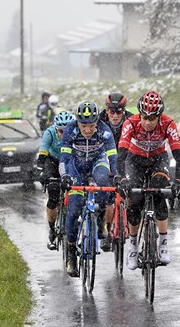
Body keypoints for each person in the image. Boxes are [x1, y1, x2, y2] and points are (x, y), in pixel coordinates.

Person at [115, 90, 180, 270]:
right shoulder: (131, 123)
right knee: (135, 199)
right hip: (134, 160)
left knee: (159, 192)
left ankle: (163, 243)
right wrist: (122, 179)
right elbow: (121, 156)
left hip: (157, 160)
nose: (147, 122)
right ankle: (132, 246)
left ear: (159, 116)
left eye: (152, 119)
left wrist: (178, 181)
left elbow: (178, 157)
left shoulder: (168, 124)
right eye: (144, 117)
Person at [59, 101, 118, 277]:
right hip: (76, 166)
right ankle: (71, 253)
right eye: (84, 126)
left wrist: (116, 175)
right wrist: (65, 177)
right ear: (77, 122)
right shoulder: (70, 129)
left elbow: (112, 156)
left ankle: (100, 221)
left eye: (91, 126)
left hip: (96, 162)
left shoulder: (104, 129)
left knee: (103, 182)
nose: (87, 130)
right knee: (74, 209)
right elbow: (64, 157)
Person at [97, 92, 133, 251]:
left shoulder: (132, 120)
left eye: (119, 111)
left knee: (134, 193)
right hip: (106, 157)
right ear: (107, 110)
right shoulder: (99, 120)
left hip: (126, 157)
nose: (115, 115)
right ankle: (107, 230)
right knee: (108, 200)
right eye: (112, 111)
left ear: (124, 111)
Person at [37, 111, 75, 251]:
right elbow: (43, 151)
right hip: (53, 161)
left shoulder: (77, 133)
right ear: (55, 128)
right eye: (61, 131)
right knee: (53, 192)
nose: (64, 134)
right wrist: (41, 170)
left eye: (67, 131)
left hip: (69, 160)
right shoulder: (49, 133)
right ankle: (52, 228)